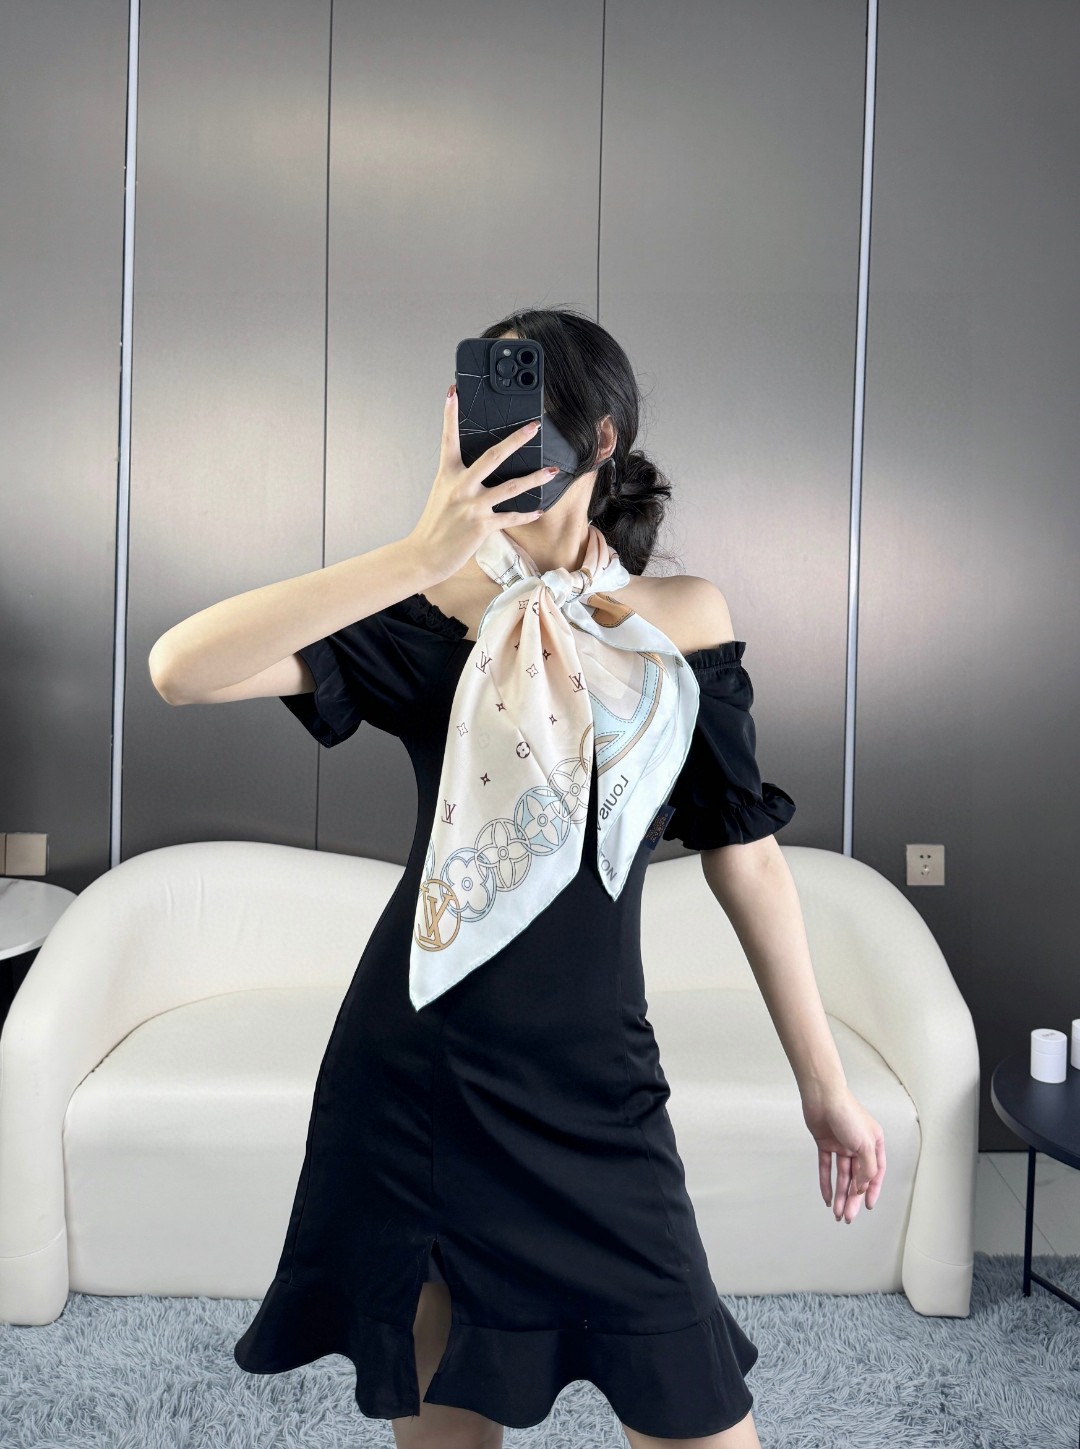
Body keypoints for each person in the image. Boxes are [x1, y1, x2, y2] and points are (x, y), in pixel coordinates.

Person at [150, 306, 886, 1449]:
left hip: (599, 1088)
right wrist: (414, 557)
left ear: (600, 442)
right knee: (447, 1419)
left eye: (523, 426)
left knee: (698, 1409)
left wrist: (823, 1083)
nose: (495, 452)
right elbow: (179, 669)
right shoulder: (425, 613)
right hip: (419, 1081)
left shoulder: (682, 625)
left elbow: (748, 864)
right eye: (475, 426)